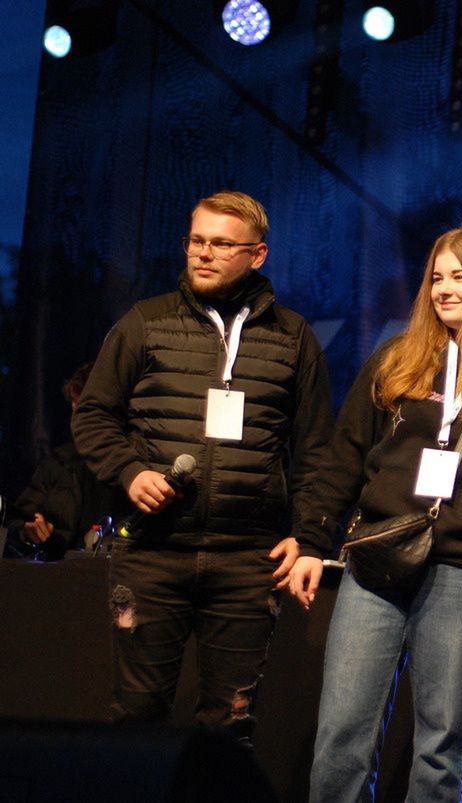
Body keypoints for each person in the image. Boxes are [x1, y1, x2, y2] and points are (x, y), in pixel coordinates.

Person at [289, 223, 462, 802]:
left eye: (459, 277)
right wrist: (312, 541)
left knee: (440, 748)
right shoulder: (397, 360)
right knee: (341, 736)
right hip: (377, 562)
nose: (444, 289)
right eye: (437, 277)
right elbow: (345, 457)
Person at [71, 191, 333, 741]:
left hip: (247, 561)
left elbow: (316, 451)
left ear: (257, 254)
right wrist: (130, 472)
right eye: (196, 241)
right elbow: (93, 415)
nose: (204, 253)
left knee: (228, 726)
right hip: (152, 554)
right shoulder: (146, 323)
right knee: (136, 717)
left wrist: (309, 537)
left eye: (221, 244)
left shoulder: (292, 338)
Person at [5, 362, 120, 560]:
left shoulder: (132, 466)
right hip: (59, 573)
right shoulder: (57, 463)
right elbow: (17, 521)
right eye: (74, 410)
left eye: (84, 411)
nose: (76, 422)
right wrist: (26, 530)